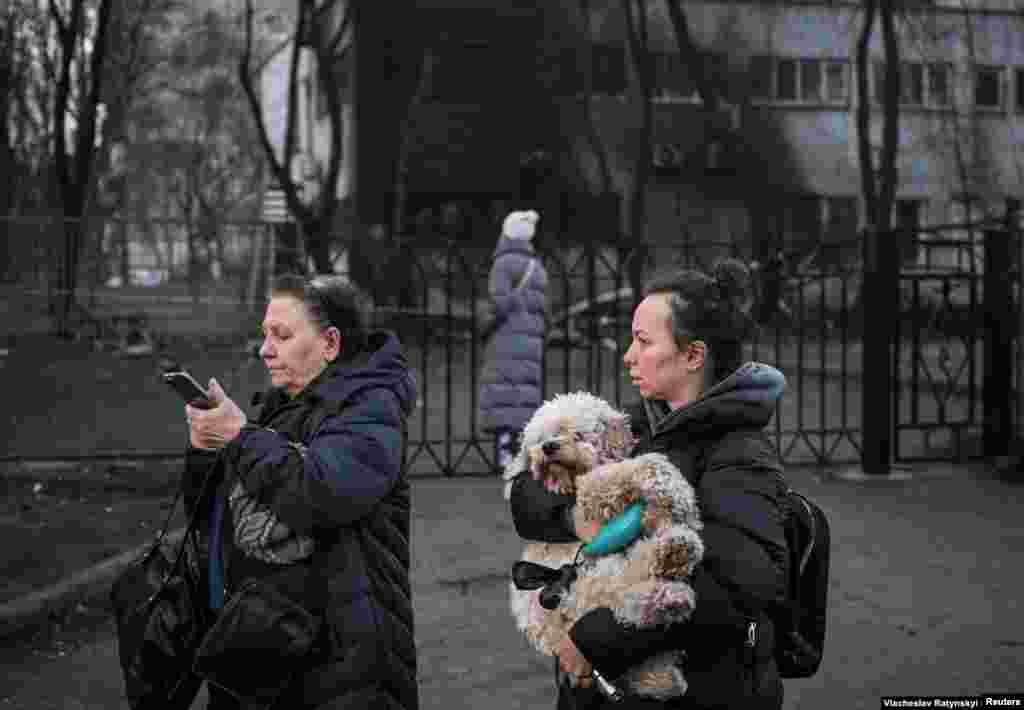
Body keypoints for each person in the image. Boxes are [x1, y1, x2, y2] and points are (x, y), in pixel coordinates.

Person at [508, 259, 790, 710]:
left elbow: (737, 589)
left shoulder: (739, 457)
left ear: (693, 356)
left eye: (642, 341)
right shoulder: (633, 428)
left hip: (698, 691)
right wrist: (573, 517)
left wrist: (594, 641)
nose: (627, 355)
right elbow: (525, 491)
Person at [183, 274, 419, 709]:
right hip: (269, 643)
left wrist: (240, 436)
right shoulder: (284, 406)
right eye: (265, 335)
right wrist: (206, 449)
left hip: (341, 662)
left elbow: (321, 491)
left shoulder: (370, 408)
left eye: (282, 335)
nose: (265, 349)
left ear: (330, 344)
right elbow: (215, 514)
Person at [479, 209, 548, 472]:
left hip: (505, 339)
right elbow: (544, 308)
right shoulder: (537, 266)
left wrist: (483, 324)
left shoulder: (503, 264)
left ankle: (504, 453)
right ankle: (522, 452)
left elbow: (500, 303)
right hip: (531, 341)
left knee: (504, 392)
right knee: (523, 396)